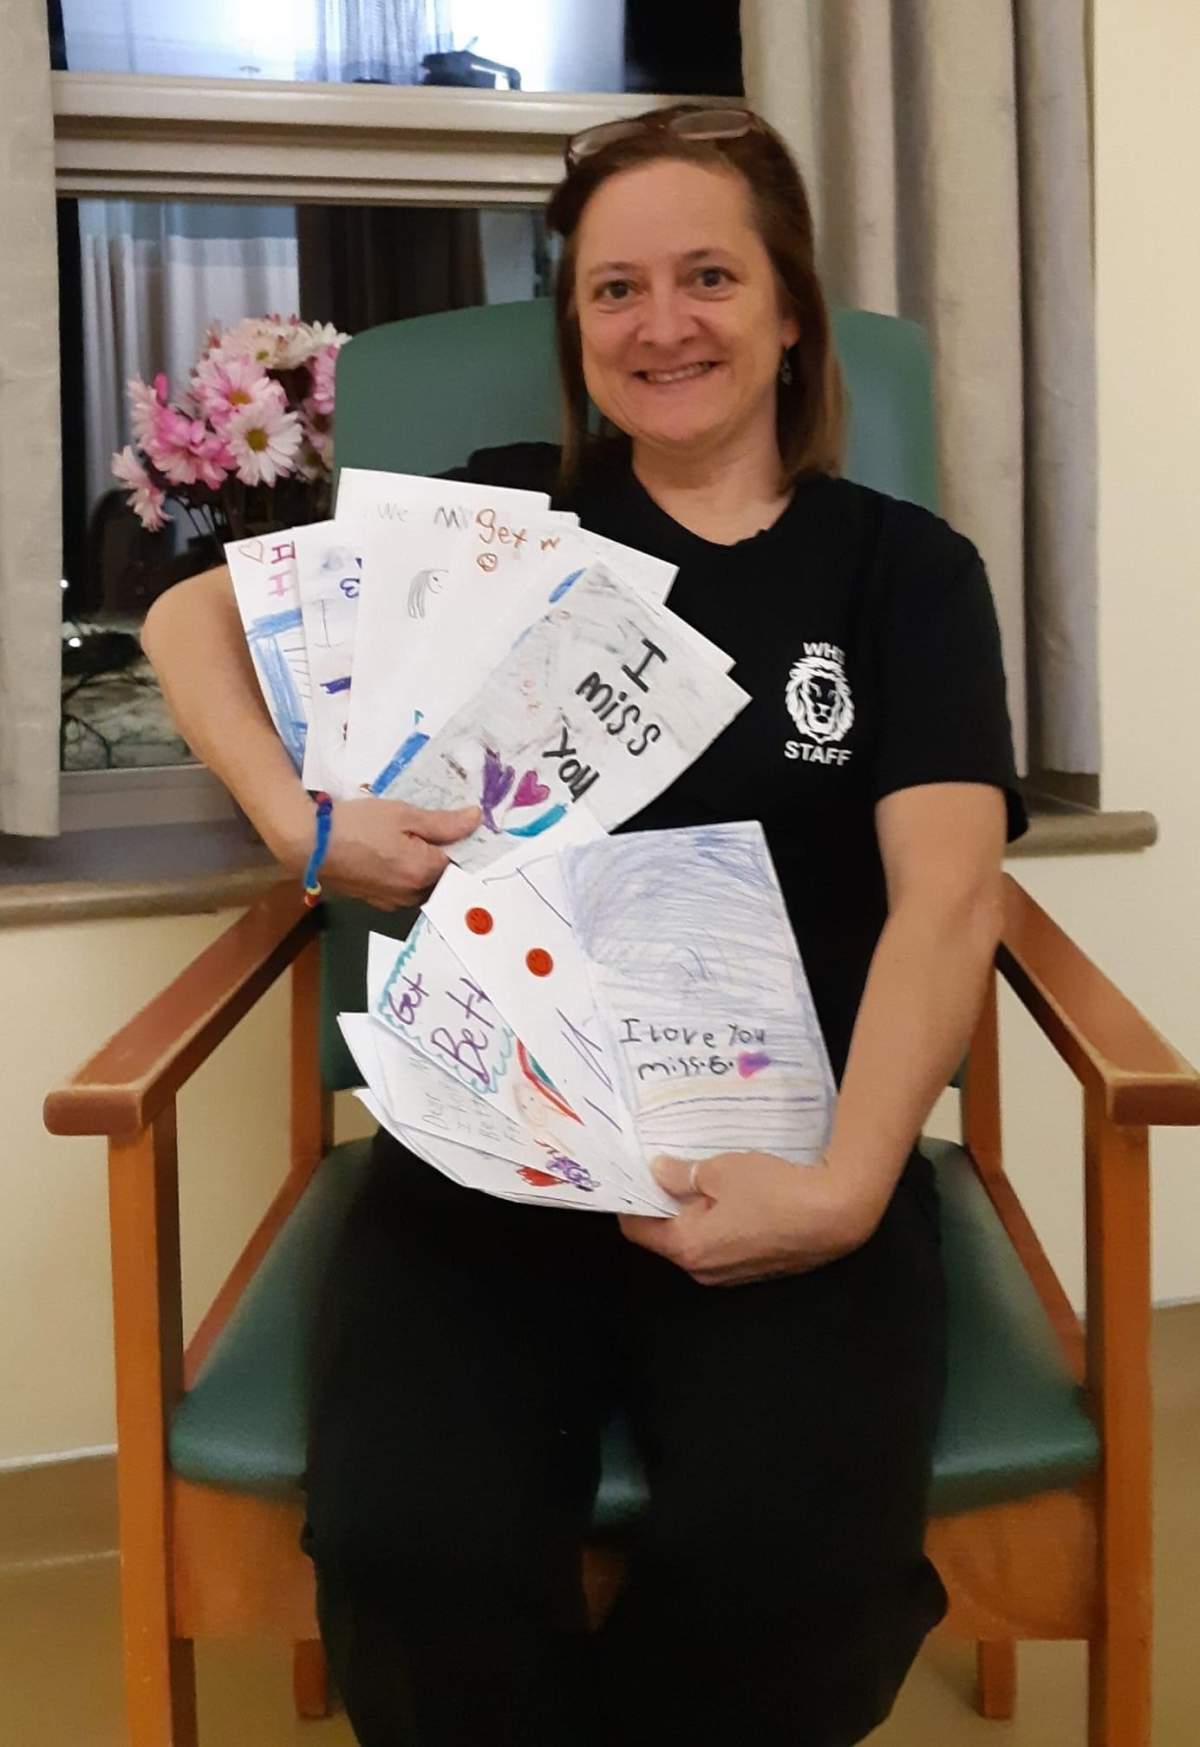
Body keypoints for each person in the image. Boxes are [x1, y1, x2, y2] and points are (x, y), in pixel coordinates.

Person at [142, 103, 1027, 1747]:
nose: (662, 323)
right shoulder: (503, 522)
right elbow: (193, 614)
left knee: (797, 1559)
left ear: (788, 316)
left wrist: (841, 1193)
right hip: (490, 1145)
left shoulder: (903, 573)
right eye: (614, 289)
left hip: (781, 1143)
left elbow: (949, 897)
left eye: (707, 275)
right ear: (577, 331)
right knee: (416, 1545)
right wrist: (301, 822)